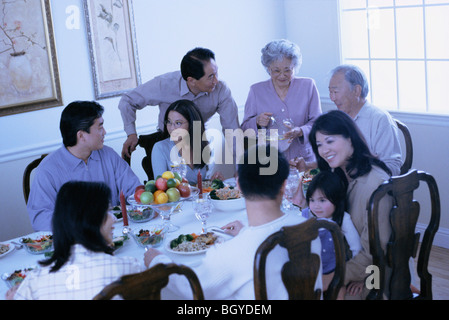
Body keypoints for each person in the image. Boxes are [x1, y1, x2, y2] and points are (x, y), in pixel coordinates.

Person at [144, 144, 321, 299]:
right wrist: (245, 233)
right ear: (283, 185)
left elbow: (189, 289)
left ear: (238, 185)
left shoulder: (230, 253)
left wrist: (157, 261)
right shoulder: (310, 226)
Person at [305, 110, 393, 299]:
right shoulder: (339, 176)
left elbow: (377, 252)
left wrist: (334, 277)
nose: (324, 150)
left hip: (376, 275)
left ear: (351, 139)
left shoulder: (375, 184)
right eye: (319, 145)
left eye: (330, 141)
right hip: (352, 264)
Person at [10, 181, 148, 300]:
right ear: (88, 221)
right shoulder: (126, 268)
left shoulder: (33, 283)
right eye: (106, 212)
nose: (113, 218)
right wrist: (157, 260)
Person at [27, 101, 141, 232]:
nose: (105, 132)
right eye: (100, 127)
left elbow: (135, 192)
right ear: (81, 135)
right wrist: (81, 223)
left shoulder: (109, 155)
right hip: (75, 240)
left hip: (116, 231)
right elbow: (40, 219)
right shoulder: (47, 169)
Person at [118, 47, 240, 159]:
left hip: (199, 143)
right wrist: (131, 134)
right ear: (191, 80)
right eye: (211, 76)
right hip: (167, 141)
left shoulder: (221, 89)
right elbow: (127, 101)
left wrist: (240, 167)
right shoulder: (165, 84)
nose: (216, 80)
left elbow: (232, 131)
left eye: (216, 73)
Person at [241, 39, 322, 162]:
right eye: (276, 70)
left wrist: (300, 131)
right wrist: (257, 121)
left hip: (303, 159)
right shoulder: (256, 91)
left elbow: (318, 123)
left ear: (294, 67)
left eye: (287, 70)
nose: (282, 75)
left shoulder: (308, 86)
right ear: (268, 69)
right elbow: (245, 128)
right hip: (270, 161)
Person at [293, 170, 361, 298]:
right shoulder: (305, 216)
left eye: (322, 200)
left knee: (339, 293)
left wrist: (357, 276)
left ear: (336, 199)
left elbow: (356, 247)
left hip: (335, 271)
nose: (316, 206)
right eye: (312, 200)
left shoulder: (342, 219)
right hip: (311, 271)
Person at [328, 64, 402, 176]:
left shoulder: (379, 119)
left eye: (336, 92)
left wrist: (358, 173)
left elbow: (392, 166)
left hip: (369, 186)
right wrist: (311, 165)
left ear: (357, 90)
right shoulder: (338, 118)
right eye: (330, 92)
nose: (332, 98)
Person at [151, 99, 223, 184]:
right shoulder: (160, 148)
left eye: (178, 123)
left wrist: (214, 179)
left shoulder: (206, 143)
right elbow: (161, 187)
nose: (172, 128)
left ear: (192, 124)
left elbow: (205, 181)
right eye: (169, 122)